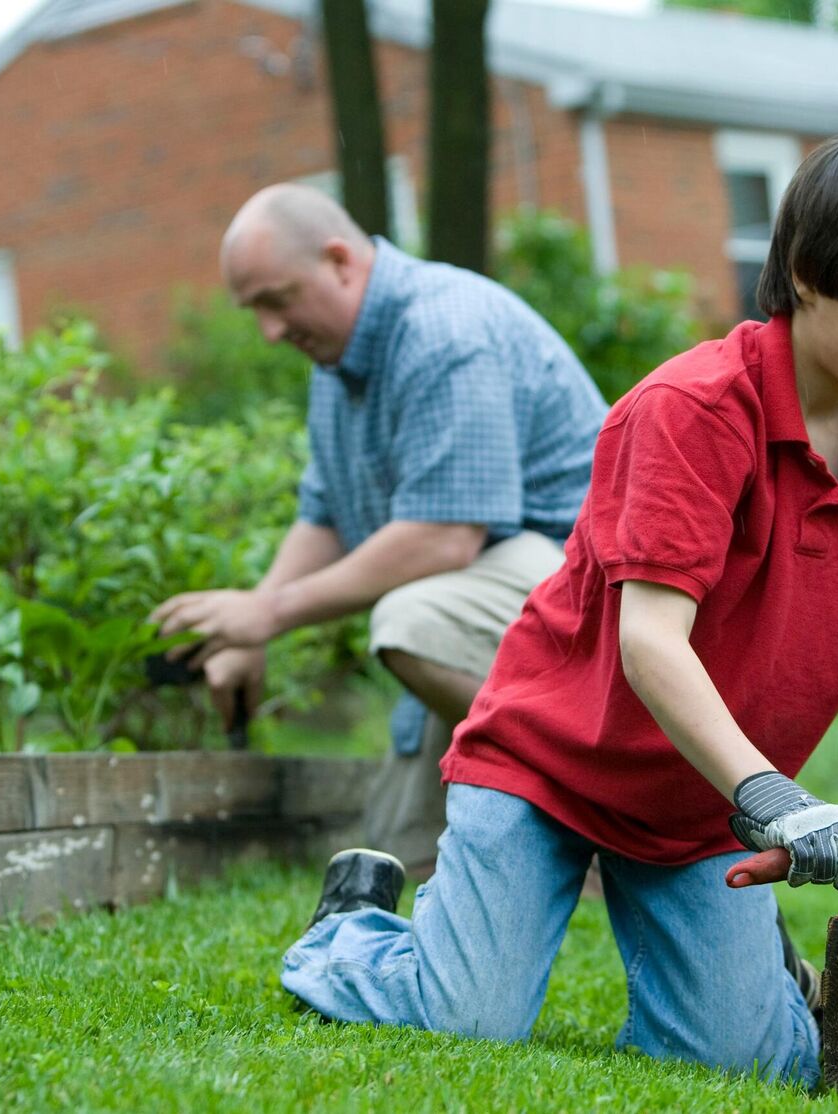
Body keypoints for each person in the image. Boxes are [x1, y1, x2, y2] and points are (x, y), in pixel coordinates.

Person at [278, 135, 838, 1085]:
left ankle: (752, 982)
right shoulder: (692, 411)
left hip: (703, 807)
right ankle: (353, 929)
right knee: (465, 1020)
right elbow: (651, 642)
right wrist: (780, 801)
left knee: (744, 1064)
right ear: (807, 276)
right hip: (548, 769)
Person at [150, 184, 609, 872]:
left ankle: (604, 806)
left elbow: (444, 537)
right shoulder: (337, 365)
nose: (270, 332)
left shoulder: (444, 331)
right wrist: (244, 630)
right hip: (493, 612)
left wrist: (271, 613)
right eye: (255, 312)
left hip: (595, 609)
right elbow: (326, 513)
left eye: (276, 301)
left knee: (412, 621)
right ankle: (544, 825)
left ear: (340, 260)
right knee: (394, 855)